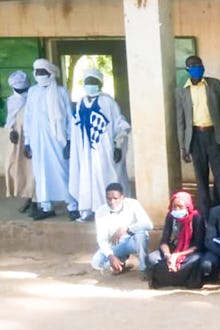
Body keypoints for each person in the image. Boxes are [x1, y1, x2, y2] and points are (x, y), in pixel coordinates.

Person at [69, 68, 131, 222]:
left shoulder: (108, 102)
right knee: (87, 179)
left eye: (93, 82)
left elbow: (120, 125)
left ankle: (111, 210)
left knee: (107, 178)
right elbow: (75, 128)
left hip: (104, 150)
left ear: (100, 83)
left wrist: (118, 145)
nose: (90, 85)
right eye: (88, 82)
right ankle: (89, 210)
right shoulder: (81, 103)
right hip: (86, 151)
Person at [176, 55, 220, 214]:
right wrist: (183, 147)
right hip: (194, 137)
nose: (197, 68)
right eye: (193, 65)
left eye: (199, 64)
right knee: (201, 178)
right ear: (187, 69)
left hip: (214, 135)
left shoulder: (214, 84)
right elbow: (180, 121)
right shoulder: (181, 90)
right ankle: (205, 214)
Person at [23, 58, 78, 221]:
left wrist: (68, 141)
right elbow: (28, 117)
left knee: (63, 171)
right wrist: (27, 141)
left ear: (51, 73)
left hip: (57, 140)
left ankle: (72, 206)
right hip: (37, 140)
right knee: (41, 173)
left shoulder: (61, 92)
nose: (39, 75)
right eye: (37, 72)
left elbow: (69, 117)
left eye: (43, 72)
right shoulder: (33, 91)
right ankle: (46, 207)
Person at [147, 191, 206, 288]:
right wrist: (168, 255)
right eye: (174, 206)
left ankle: (182, 280)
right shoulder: (170, 216)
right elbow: (164, 241)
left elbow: (197, 245)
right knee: (152, 258)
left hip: (189, 251)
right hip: (173, 248)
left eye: (180, 206)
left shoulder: (196, 218)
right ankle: (169, 279)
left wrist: (177, 256)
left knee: (197, 260)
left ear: (187, 207)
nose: (177, 209)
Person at [91, 182, 153, 274]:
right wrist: (110, 256)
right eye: (109, 199)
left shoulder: (133, 204)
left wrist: (126, 229)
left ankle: (144, 268)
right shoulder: (101, 211)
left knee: (141, 234)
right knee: (96, 262)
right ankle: (124, 263)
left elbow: (148, 225)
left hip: (133, 240)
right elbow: (102, 239)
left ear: (122, 197)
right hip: (116, 245)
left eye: (115, 198)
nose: (112, 202)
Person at [4, 70, 35, 214]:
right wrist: (12, 131)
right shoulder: (12, 100)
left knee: (33, 170)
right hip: (17, 139)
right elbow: (10, 120)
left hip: (33, 138)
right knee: (17, 168)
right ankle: (28, 197)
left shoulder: (34, 98)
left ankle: (35, 200)